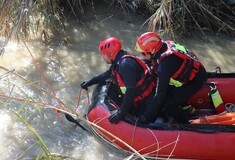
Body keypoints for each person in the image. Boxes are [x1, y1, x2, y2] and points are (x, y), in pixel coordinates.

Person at [135, 32, 207, 124]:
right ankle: (186, 107)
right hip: (194, 70)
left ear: (152, 51)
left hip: (195, 80)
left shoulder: (164, 67)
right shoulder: (163, 45)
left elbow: (159, 95)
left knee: (168, 105)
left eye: (143, 53)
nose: (142, 55)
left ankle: (186, 125)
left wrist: (147, 117)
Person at [81, 37, 156, 124]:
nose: (103, 57)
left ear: (111, 54)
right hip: (139, 99)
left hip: (146, 103)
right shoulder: (119, 59)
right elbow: (108, 74)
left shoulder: (125, 65)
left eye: (104, 54)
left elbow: (131, 91)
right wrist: (90, 82)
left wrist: (121, 113)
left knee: (141, 121)